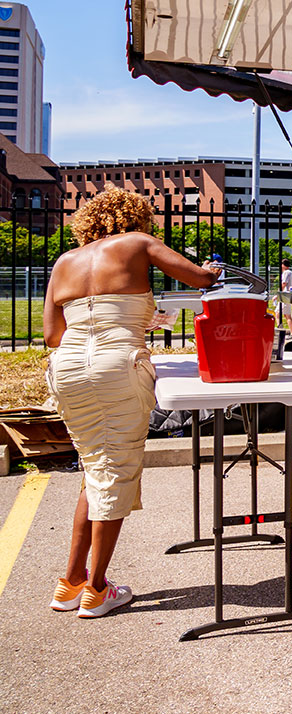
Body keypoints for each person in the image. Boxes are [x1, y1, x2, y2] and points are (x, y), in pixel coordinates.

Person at [44, 188, 222, 618]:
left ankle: (70, 582)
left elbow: (52, 335)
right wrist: (211, 269)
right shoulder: (139, 243)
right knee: (117, 472)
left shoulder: (64, 262)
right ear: (136, 216)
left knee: (95, 469)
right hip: (117, 365)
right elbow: (199, 280)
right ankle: (98, 588)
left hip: (66, 368)